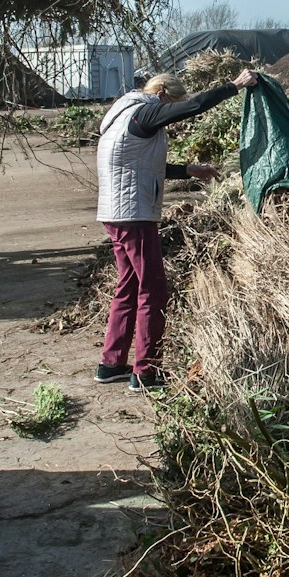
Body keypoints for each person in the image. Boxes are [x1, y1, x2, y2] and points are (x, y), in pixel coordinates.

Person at [95, 67, 258, 392]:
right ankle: (146, 372)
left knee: (128, 286)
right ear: (162, 94)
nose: (170, 111)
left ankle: (110, 364)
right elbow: (194, 106)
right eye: (172, 103)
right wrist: (234, 85)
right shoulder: (145, 111)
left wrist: (187, 170)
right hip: (134, 214)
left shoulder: (120, 116)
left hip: (115, 213)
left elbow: (137, 163)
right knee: (153, 289)